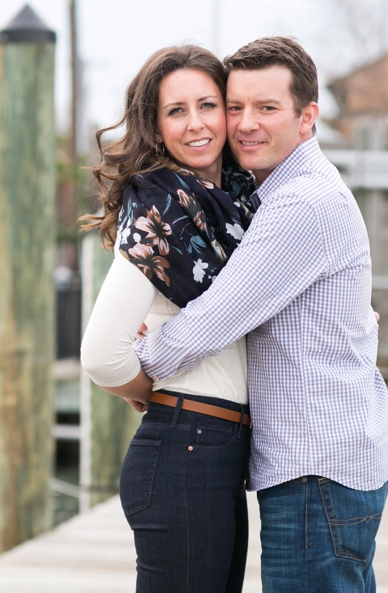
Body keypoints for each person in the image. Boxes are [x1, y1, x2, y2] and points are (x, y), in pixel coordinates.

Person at [132, 37, 388, 593]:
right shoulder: (276, 195)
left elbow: (214, 320)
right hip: (329, 461)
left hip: (315, 469)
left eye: (267, 108)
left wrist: (142, 365)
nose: (245, 124)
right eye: (235, 107)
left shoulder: (301, 203)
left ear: (307, 117)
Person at [80, 45, 257, 593]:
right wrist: (145, 387)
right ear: (155, 127)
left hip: (216, 451)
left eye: (209, 104)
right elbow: (100, 355)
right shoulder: (161, 211)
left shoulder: (241, 203)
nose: (198, 123)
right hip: (186, 450)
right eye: (176, 111)